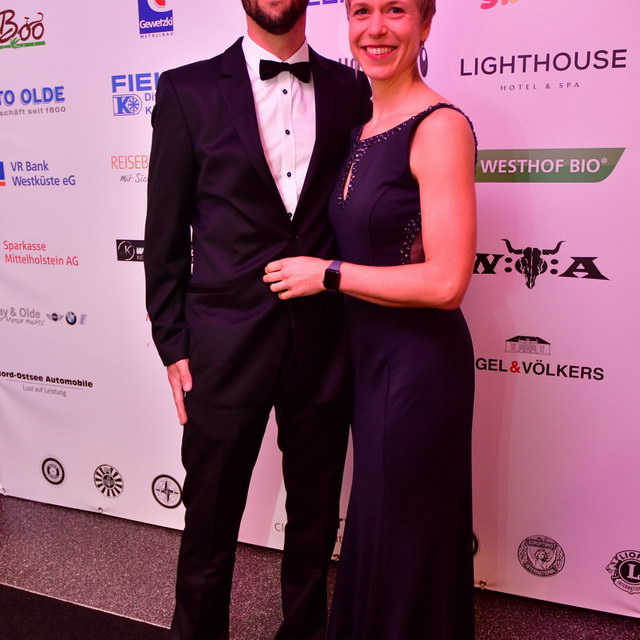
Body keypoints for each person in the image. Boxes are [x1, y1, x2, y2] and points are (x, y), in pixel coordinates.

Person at [143, 0, 371, 637]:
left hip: (325, 340)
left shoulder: (352, 89)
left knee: (315, 520)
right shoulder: (186, 90)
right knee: (210, 521)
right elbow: (163, 231)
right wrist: (172, 342)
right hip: (223, 344)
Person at [263, 0, 477, 638]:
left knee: (403, 535)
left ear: (426, 24)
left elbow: (447, 282)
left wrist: (327, 273)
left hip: (419, 366)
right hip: (367, 358)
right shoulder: (361, 127)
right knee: (381, 530)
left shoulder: (440, 127)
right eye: (362, 11)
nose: (376, 28)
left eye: (396, 10)